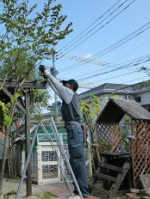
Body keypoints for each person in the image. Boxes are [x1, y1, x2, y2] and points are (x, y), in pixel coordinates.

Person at [39, 65, 91, 199]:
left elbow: (59, 88)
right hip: (73, 129)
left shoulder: (70, 94)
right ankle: (78, 191)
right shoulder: (67, 95)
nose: (64, 86)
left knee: (78, 161)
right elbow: (57, 88)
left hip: (74, 129)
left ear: (71, 86)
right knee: (75, 161)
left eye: (66, 84)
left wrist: (48, 74)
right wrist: (49, 78)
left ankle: (84, 193)